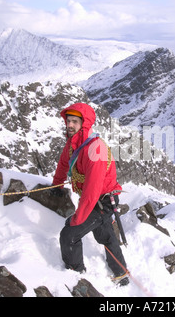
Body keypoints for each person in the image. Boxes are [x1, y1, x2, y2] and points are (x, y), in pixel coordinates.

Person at [50, 102, 129, 286]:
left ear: (84, 124)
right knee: (106, 235)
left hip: (101, 201)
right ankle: (121, 272)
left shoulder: (95, 149)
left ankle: (75, 275)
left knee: (69, 235)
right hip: (97, 199)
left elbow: (92, 190)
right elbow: (63, 164)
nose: (69, 125)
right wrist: (57, 184)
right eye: (68, 121)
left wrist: (77, 219)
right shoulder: (72, 144)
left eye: (74, 122)